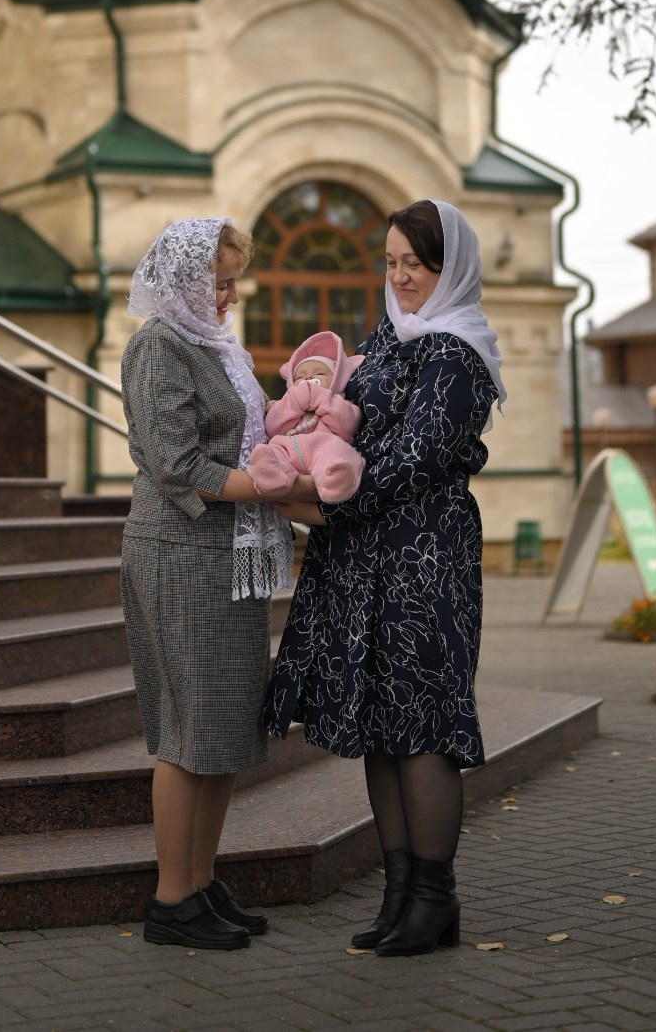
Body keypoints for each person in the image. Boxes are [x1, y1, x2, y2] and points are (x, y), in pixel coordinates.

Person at [262, 199, 505, 958]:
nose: (401, 277)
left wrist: (317, 505)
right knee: (379, 720)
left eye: (417, 264)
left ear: (449, 268)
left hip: (423, 558)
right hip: (362, 555)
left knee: (423, 723)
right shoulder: (387, 340)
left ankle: (437, 897)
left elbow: (414, 460)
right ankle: (401, 894)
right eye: (393, 262)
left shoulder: (457, 355)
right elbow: (343, 422)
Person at [120, 217, 295, 951]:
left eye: (233, 283)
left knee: (223, 728)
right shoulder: (158, 345)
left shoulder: (217, 346)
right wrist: (272, 485)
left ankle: (200, 881)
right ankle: (170, 898)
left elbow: (247, 437)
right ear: (183, 279)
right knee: (187, 732)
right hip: (179, 551)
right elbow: (175, 462)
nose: (227, 297)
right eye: (216, 282)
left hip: (226, 555)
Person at [248, 331, 365, 504]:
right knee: (274, 450)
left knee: (342, 455)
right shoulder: (287, 403)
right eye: (300, 376)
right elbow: (273, 427)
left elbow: (346, 427)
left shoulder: (342, 404)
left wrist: (321, 397)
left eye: (320, 373)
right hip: (289, 447)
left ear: (337, 379)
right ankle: (273, 476)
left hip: (324, 449)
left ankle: (336, 481)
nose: (308, 377)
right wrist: (295, 400)